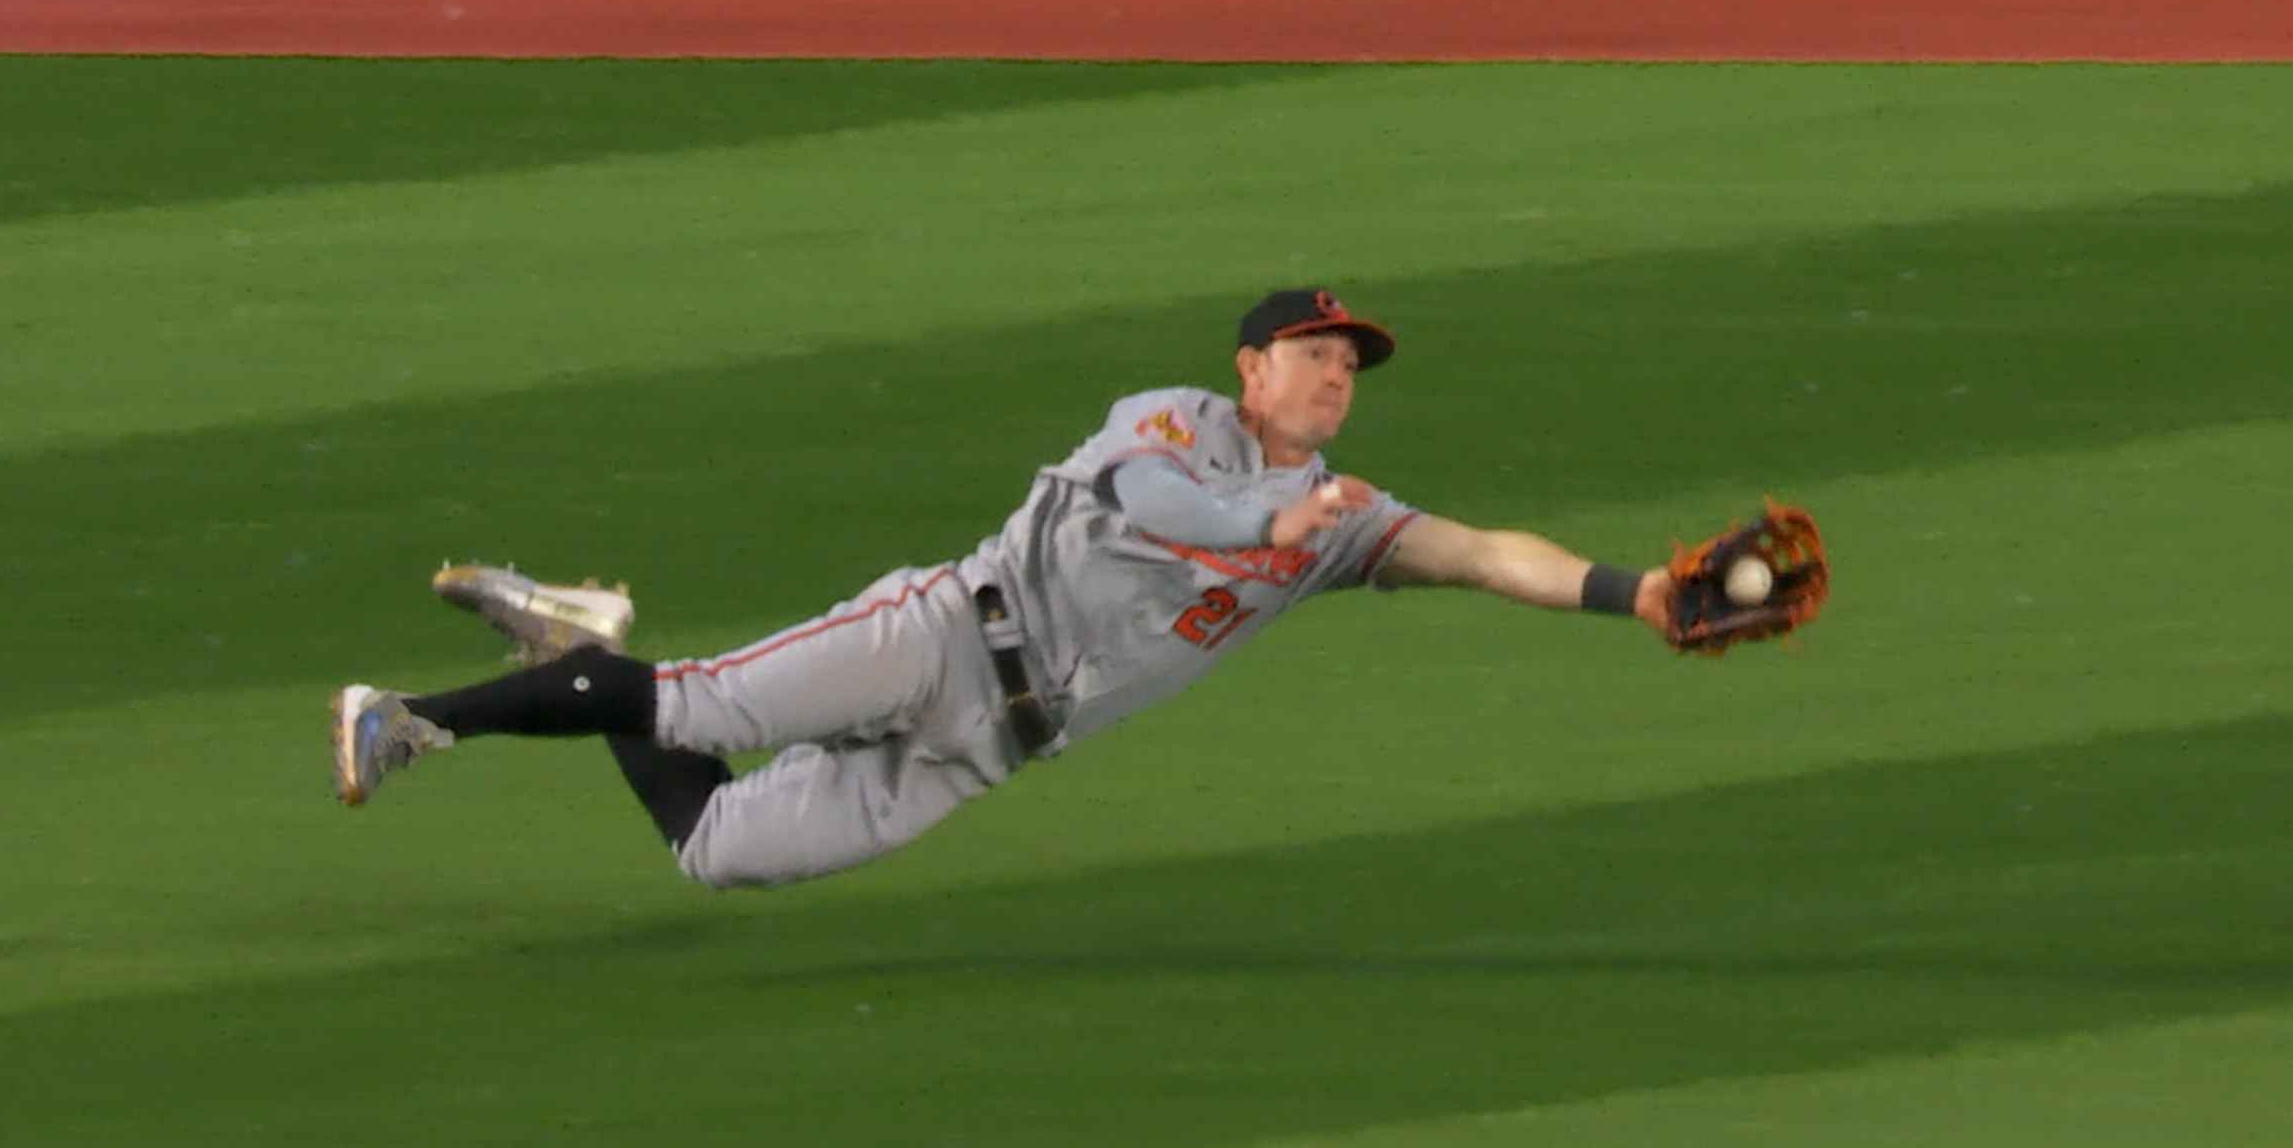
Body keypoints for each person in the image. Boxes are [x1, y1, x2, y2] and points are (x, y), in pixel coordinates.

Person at [329, 288, 1675, 889]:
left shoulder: (1346, 522)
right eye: (1313, 351)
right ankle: (413, 716)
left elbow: (1493, 554)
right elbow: (1164, 512)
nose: (1336, 376)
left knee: (714, 849)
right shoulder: (1173, 425)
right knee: (699, 709)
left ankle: (584, 633)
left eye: (1350, 364)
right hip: (935, 640)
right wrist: (1274, 507)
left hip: (985, 750)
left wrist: (1640, 591)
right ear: (1249, 368)